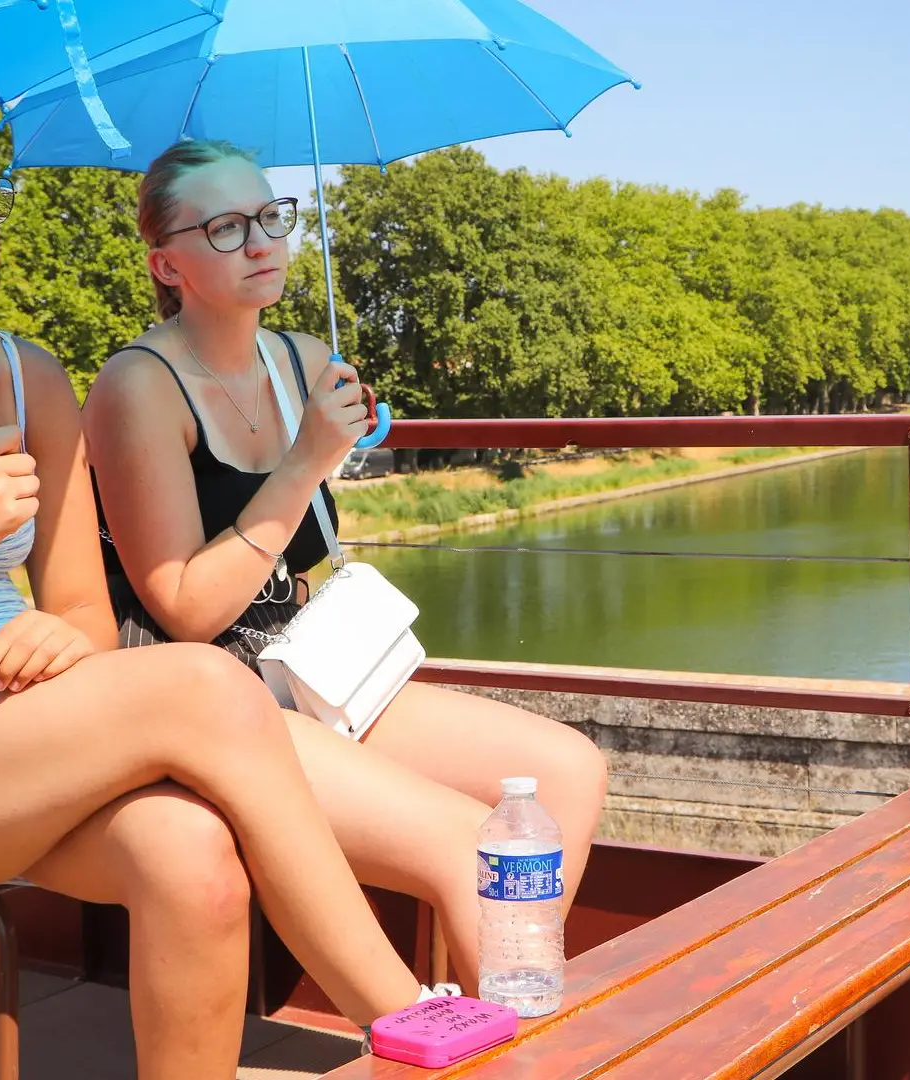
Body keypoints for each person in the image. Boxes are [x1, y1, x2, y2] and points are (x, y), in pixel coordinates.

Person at [0, 79, 437, 1079]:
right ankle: (405, 1020)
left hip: (12, 712)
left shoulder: (30, 378)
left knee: (191, 856)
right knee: (201, 678)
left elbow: (87, 624)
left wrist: (65, 641)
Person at [83, 139, 611, 992]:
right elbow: (183, 608)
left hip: (307, 670)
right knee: (473, 839)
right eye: (224, 227)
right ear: (165, 263)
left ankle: (504, 998)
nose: (261, 242)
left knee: (568, 771)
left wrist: (337, 452)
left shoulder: (300, 359)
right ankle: (523, 1034)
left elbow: (307, 559)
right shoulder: (137, 386)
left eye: (270, 216)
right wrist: (301, 465)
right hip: (206, 697)